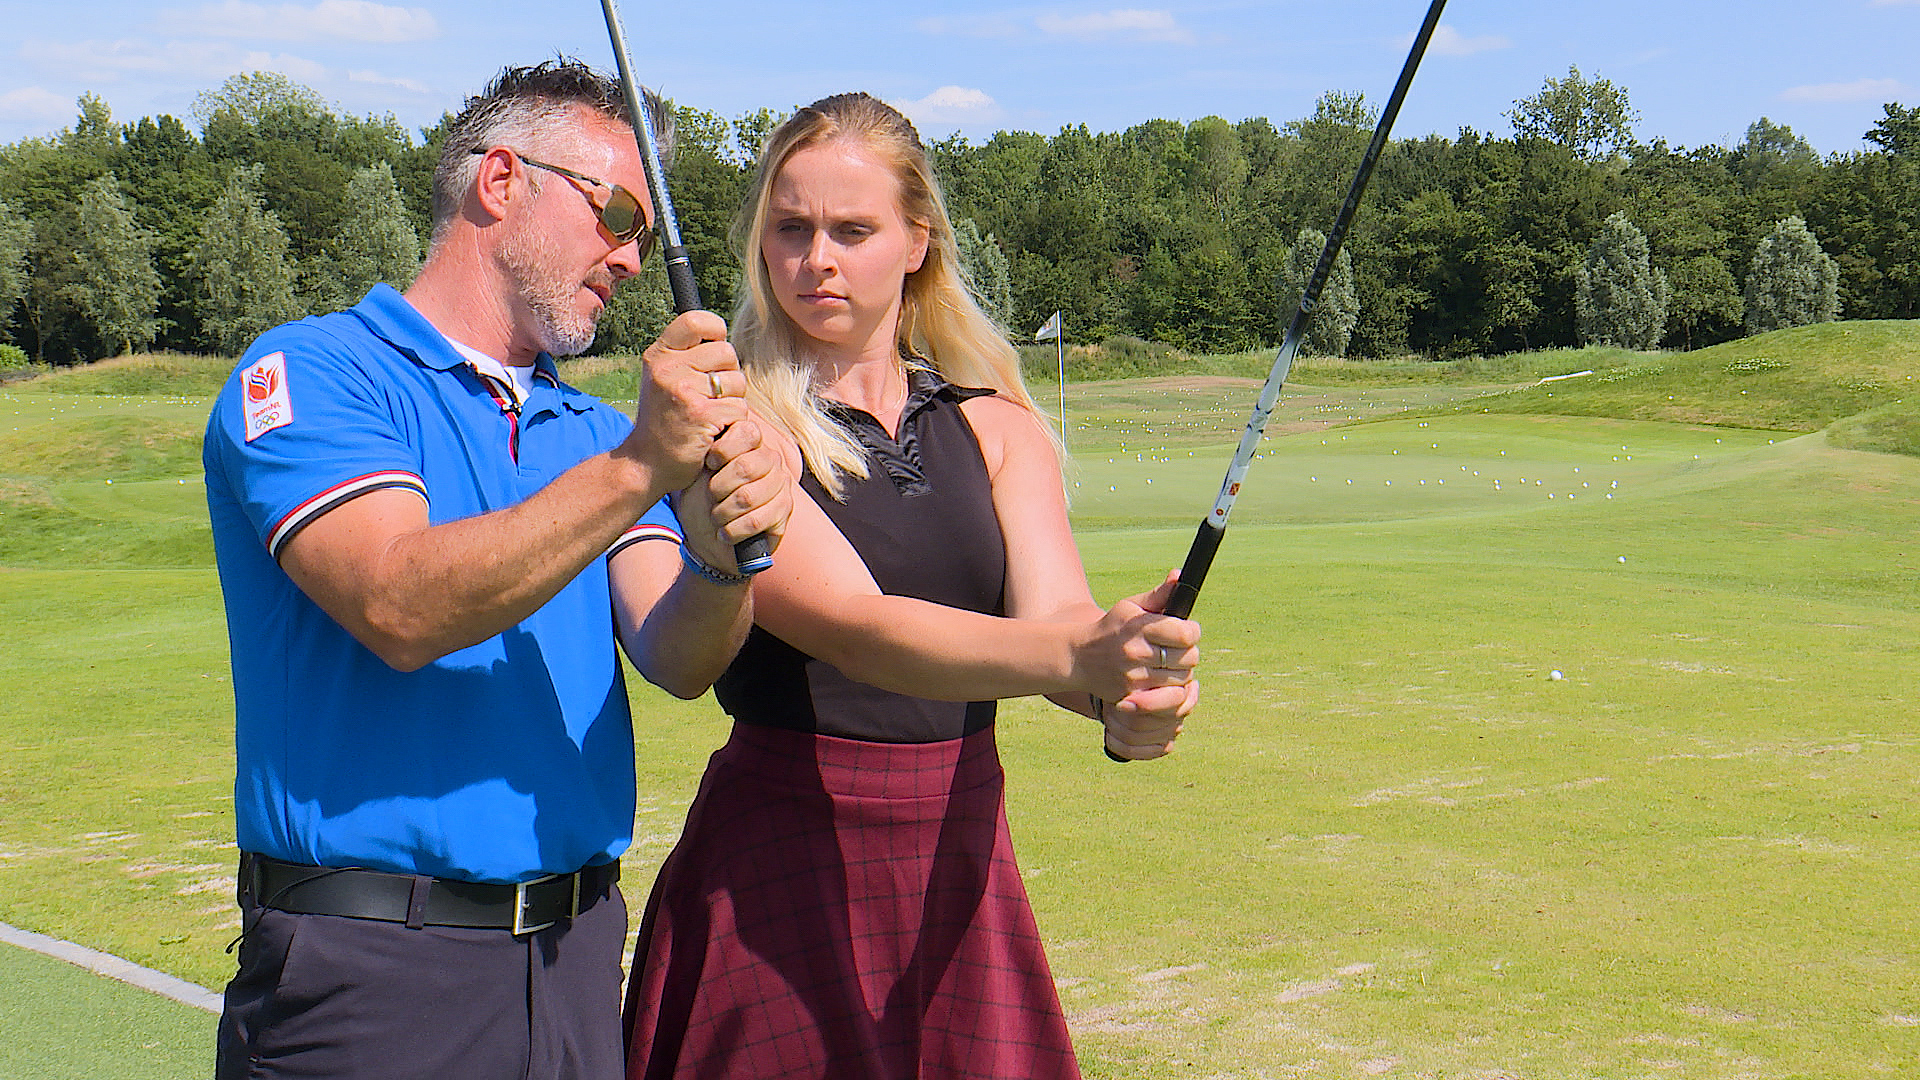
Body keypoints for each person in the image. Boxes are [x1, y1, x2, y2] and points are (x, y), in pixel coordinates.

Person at [202, 60, 790, 1080]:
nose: (632, 258)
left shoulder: (596, 433)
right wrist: (644, 465)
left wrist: (724, 555)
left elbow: (679, 655)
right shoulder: (308, 373)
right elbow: (397, 601)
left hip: (572, 962)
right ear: (503, 181)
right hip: (372, 974)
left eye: (645, 236)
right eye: (615, 215)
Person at [622, 92, 1201, 1080]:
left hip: (958, 851)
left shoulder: (997, 426)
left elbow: (1057, 625)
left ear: (917, 243)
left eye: (853, 231)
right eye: (790, 229)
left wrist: (1121, 685)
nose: (818, 260)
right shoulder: (736, 433)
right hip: (780, 859)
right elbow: (860, 628)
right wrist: (1076, 656)